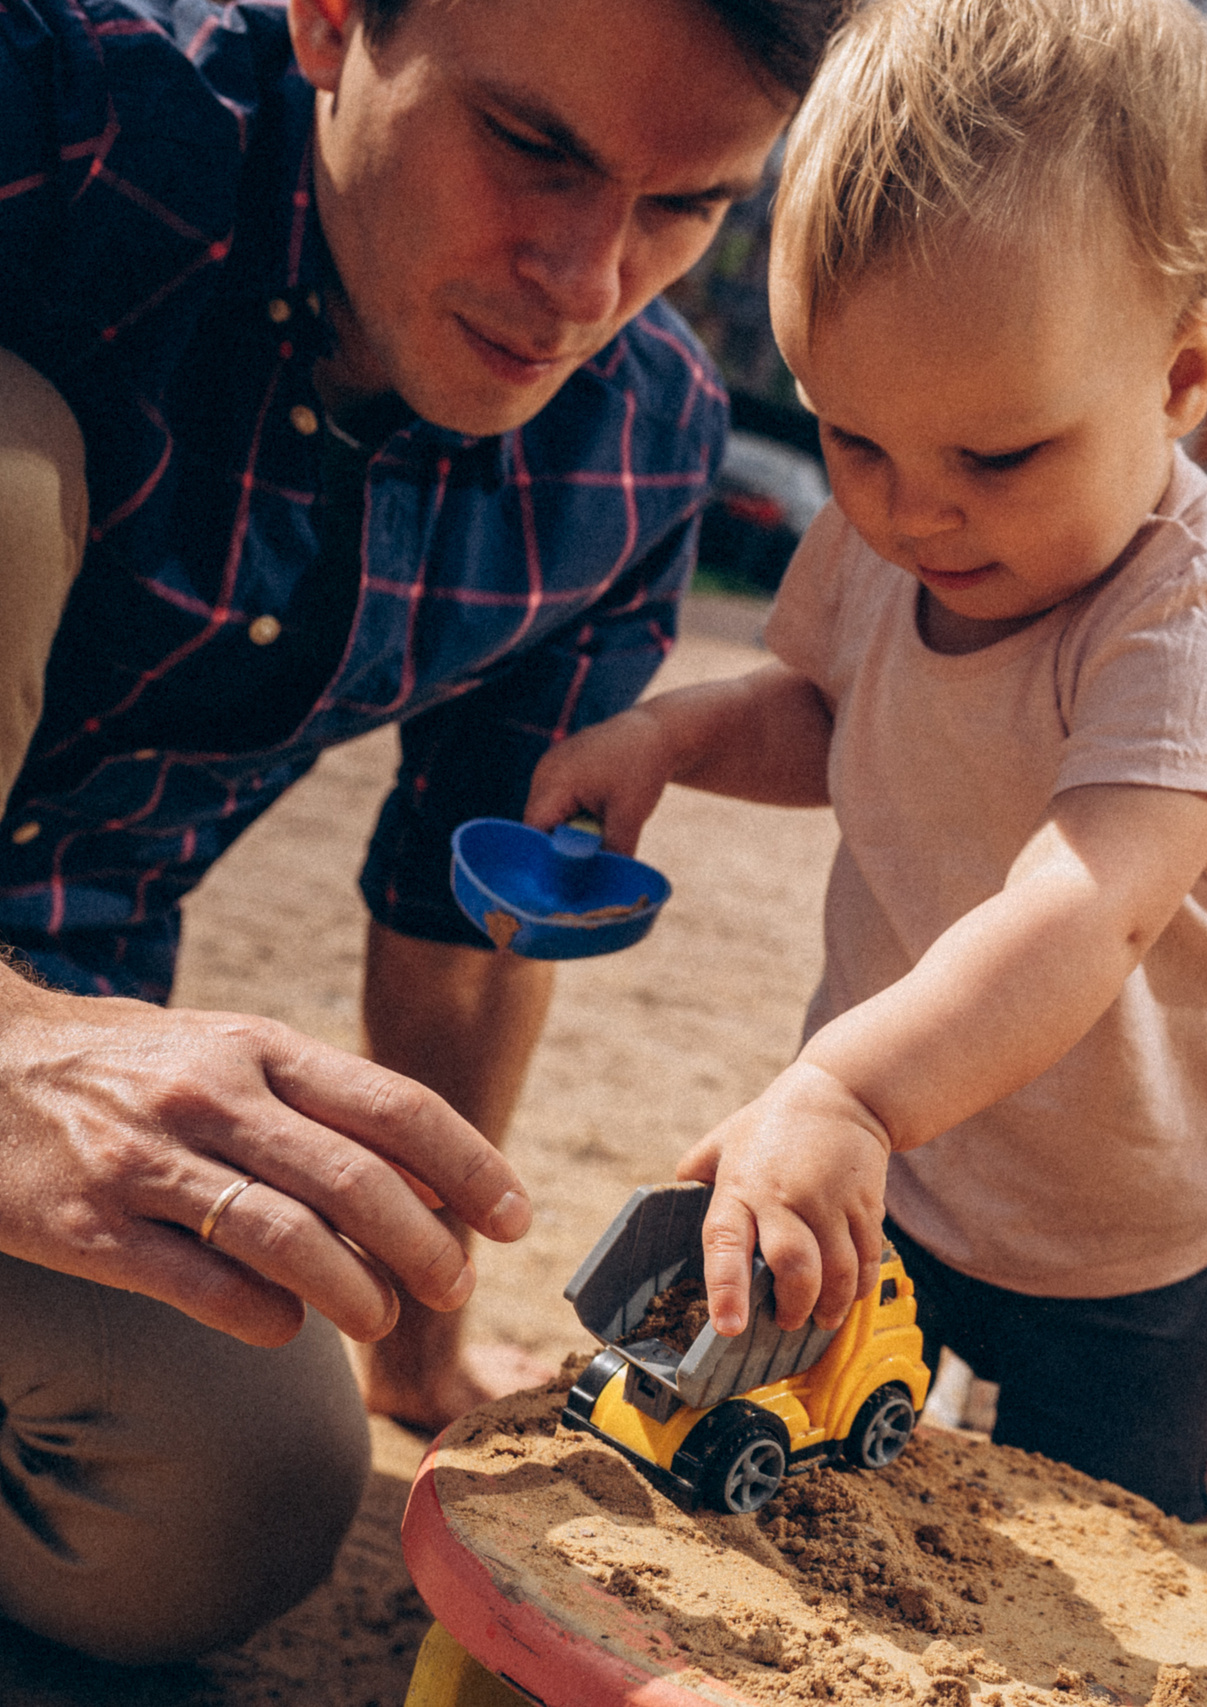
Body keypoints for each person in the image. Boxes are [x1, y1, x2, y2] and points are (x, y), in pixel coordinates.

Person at [0, 0, 832, 1665]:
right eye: (535, 148)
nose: (590, 286)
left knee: (228, 1507)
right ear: (326, 20)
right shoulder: (59, 110)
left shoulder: (640, 434)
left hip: (60, 1078)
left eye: (688, 206)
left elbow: (472, 900)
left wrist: (421, 1326)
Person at [526, 0, 1207, 1523]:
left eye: (998, 458)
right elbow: (836, 720)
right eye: (851, 439)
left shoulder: (1194, 618)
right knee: (812, 1476)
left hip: (1127, 1228)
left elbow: (1087, 903)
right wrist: (670, 735)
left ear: (1179, 378)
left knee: (1102, 1547)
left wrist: (845, 1088)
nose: (913, 514)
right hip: (905, 1173)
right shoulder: (893, 535)